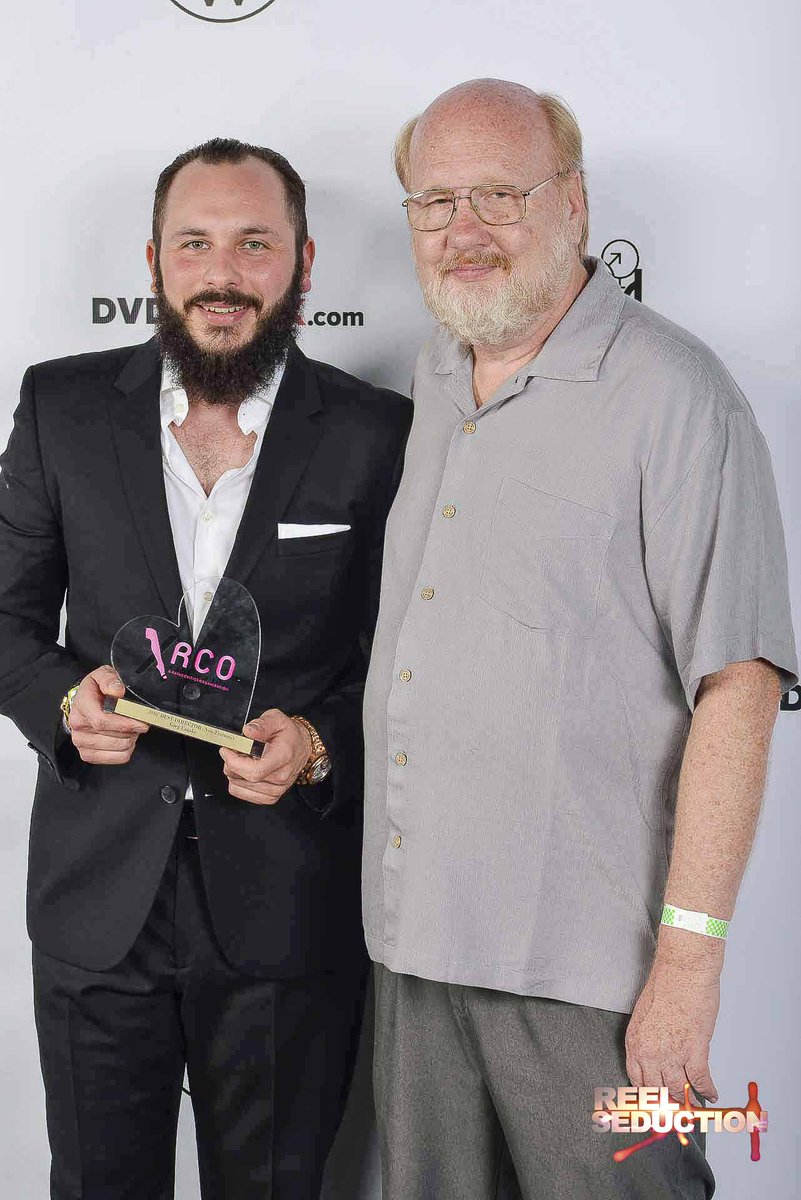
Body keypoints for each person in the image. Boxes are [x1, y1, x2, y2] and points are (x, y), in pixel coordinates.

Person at [362, 79, 798, 1199]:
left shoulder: (678, 395)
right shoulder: (431, 379)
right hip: (414, 957)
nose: (464, 230)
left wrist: (688, 967)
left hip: (599, 983)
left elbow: (740, 686)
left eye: (500, 196)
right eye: (435, 202)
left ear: (575, 204)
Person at [0, 137, 411, 1200]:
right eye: (194, 244)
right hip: (98, 896)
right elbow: (4, 618)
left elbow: (409, 666)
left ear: (304, 263)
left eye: (253, 244)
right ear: (153, 261)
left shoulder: (376, 433)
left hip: (289, 898)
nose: (221, 274)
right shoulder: (62, 408)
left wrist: (319, 743)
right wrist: (61, 702)